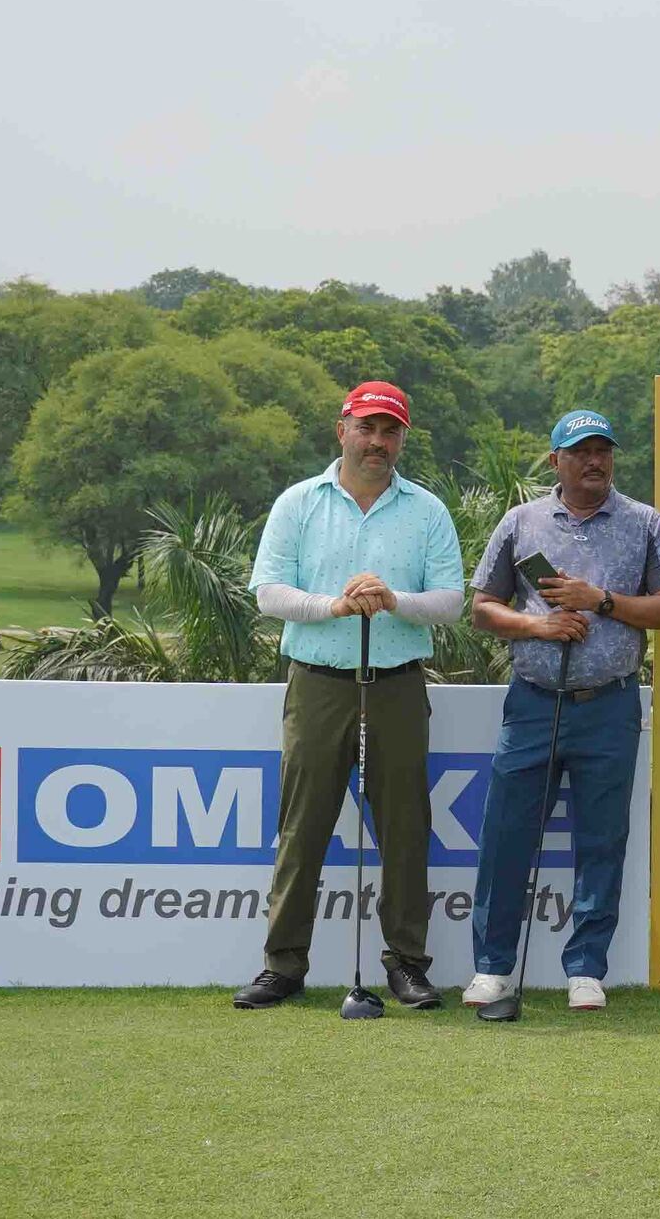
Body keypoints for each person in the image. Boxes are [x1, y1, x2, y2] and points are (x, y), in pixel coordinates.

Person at [233, 381, 466, 1010]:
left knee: (404, 830)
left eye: (390, 432)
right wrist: (334, 605)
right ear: (342, 429)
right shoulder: (299, 503)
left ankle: (408, 964)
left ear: (403, 438)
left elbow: (450, 602)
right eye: (367, 428)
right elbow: (268, 591)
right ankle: (283, 965)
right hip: (317, 683)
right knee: (303, 827)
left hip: (396, 683)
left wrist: (394, 600)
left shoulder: (427, 511)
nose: (377, 442)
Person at [462, 409, 660, 1012]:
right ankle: (493, 967)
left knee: (601, 839)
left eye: (603, 451)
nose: (595, 462)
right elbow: (483, 609)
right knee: (508, 835)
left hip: (609, 706)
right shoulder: (521, 521)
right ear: (555, 459)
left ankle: (586, 968)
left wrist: (601, 601)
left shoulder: (644, 523)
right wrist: (538, 624)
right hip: (534, 702)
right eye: (581, 452)